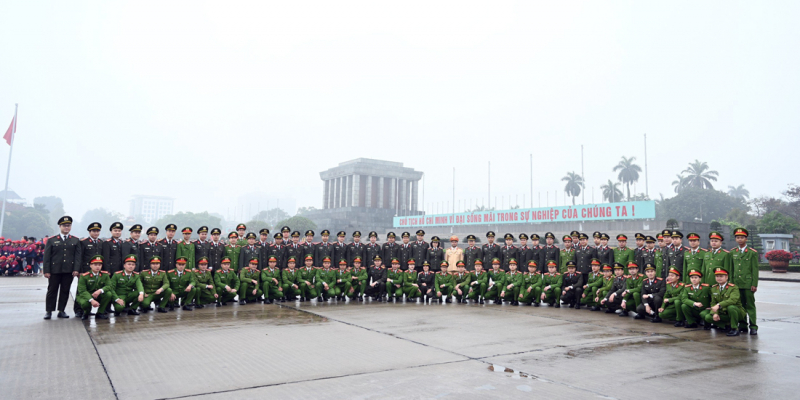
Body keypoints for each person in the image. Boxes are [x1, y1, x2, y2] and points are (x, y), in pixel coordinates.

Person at [43, 216, 82, 320]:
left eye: (68, 225)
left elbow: (78, 256)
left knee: (65, 290)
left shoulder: (75, 240)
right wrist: (46, 270)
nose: (66, 227)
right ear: (60, 226)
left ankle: (61, 310)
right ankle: (49, 311)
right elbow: (46, 257)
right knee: (52, 290)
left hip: (68, 270)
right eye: (64, 226)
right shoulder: (52, 240)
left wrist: (76, 269)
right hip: (54, 270)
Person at [701, 267, 745, 336]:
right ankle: (725, 326)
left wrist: (719, 305)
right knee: (707, 316)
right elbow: (713, 302)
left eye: (721, 276)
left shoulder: (733, 287)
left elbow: (733, 300)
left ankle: (734, 328)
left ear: (726, 277)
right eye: (717, 276)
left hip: (735, 312)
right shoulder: (714, 288)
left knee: (731, 307)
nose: (719, 278)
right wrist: (715, 313)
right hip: (722, 312)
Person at [731, 227, 759, 335]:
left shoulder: (752, 253)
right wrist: (731, 283)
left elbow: (755, 270)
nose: (740, 239)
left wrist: (754, 284)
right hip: (736, 283)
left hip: (748, 284)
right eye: (738, 237)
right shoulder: (733, 252)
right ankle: (743, 325)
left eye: (742, 237)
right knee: (740, 305)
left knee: (750, 306)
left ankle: (753, 326)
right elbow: (732, 269)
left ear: (746, 239)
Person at [76, 222, 104, 317]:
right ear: (89, 232)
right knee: (81, 290)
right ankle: (78, 310)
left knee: (94, 289)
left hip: (97, 270)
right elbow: (79, 257)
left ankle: (90, 309)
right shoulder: (83, 242)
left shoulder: (101, 242)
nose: (96, 233)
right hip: (85, 270)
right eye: (94, 231)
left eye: (97, 231)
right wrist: (79, 271)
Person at [76, 255, 113, 320]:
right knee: (85, 304)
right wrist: (91, 300)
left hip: (98, 294)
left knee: (108, 294)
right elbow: (82, 291)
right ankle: (86, 313)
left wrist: (100, 290)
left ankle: (100, 312)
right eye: (95, 265)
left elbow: (109, 286)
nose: (98, 267)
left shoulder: (105, 275)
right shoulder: (84, 276)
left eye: (99, 265)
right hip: (86, 295)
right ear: (90, 265)